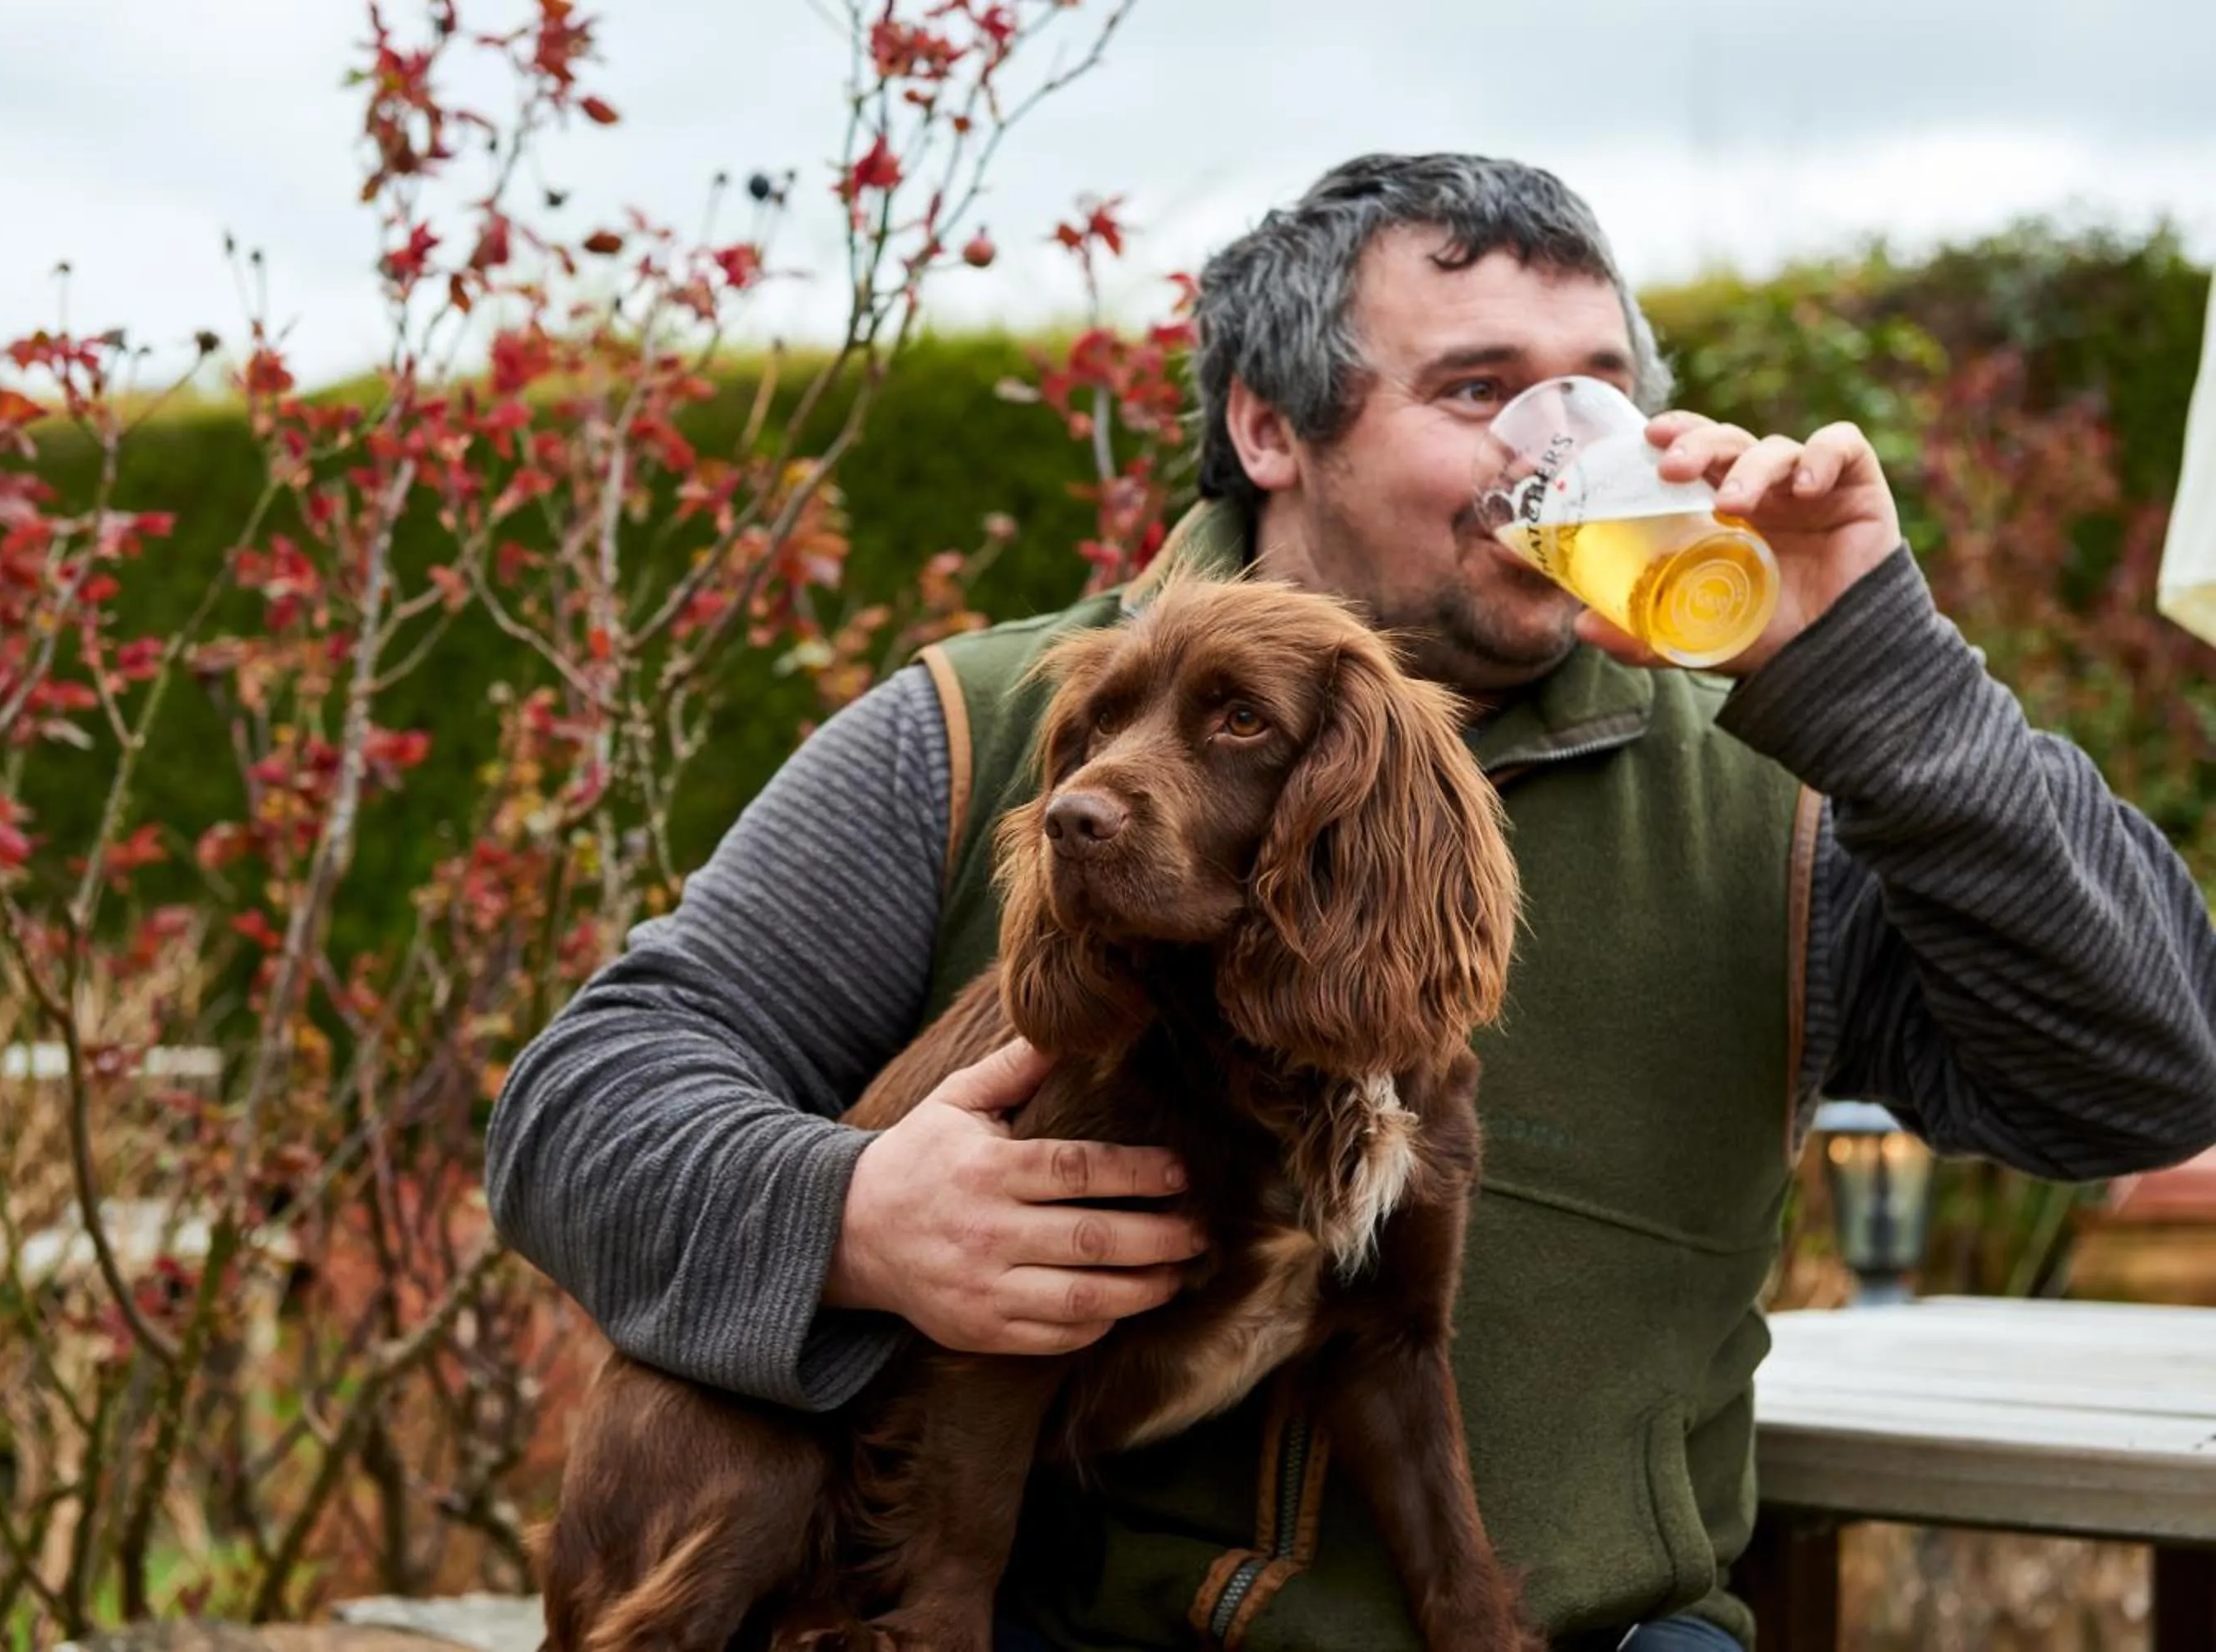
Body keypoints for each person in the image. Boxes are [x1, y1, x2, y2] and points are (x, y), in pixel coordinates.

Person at [486, 153, 2216, 1651]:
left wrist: (1879, 669)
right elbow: (583, 1104)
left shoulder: (1773, 796)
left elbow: (2150, 1075)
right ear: (1269, 427)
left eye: (1600, 389)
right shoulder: (1002, 732)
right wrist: (851, 1212)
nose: (1559, 447)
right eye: (1477, 392)